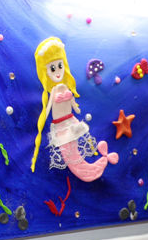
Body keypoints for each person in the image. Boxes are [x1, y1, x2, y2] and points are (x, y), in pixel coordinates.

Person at [31, 37, 117, 181]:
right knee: (70, 153)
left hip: (70, 120)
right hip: (61, 125)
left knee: (75, 148)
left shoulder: (65, 87)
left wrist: (75, 107)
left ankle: (92, 168)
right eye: (52, 68)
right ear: (45, 71)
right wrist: (44, 116)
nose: (57, 72)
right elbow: (48, 107)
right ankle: (87, 170)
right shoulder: (54, 91)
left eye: (60, 66)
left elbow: (72, 103)